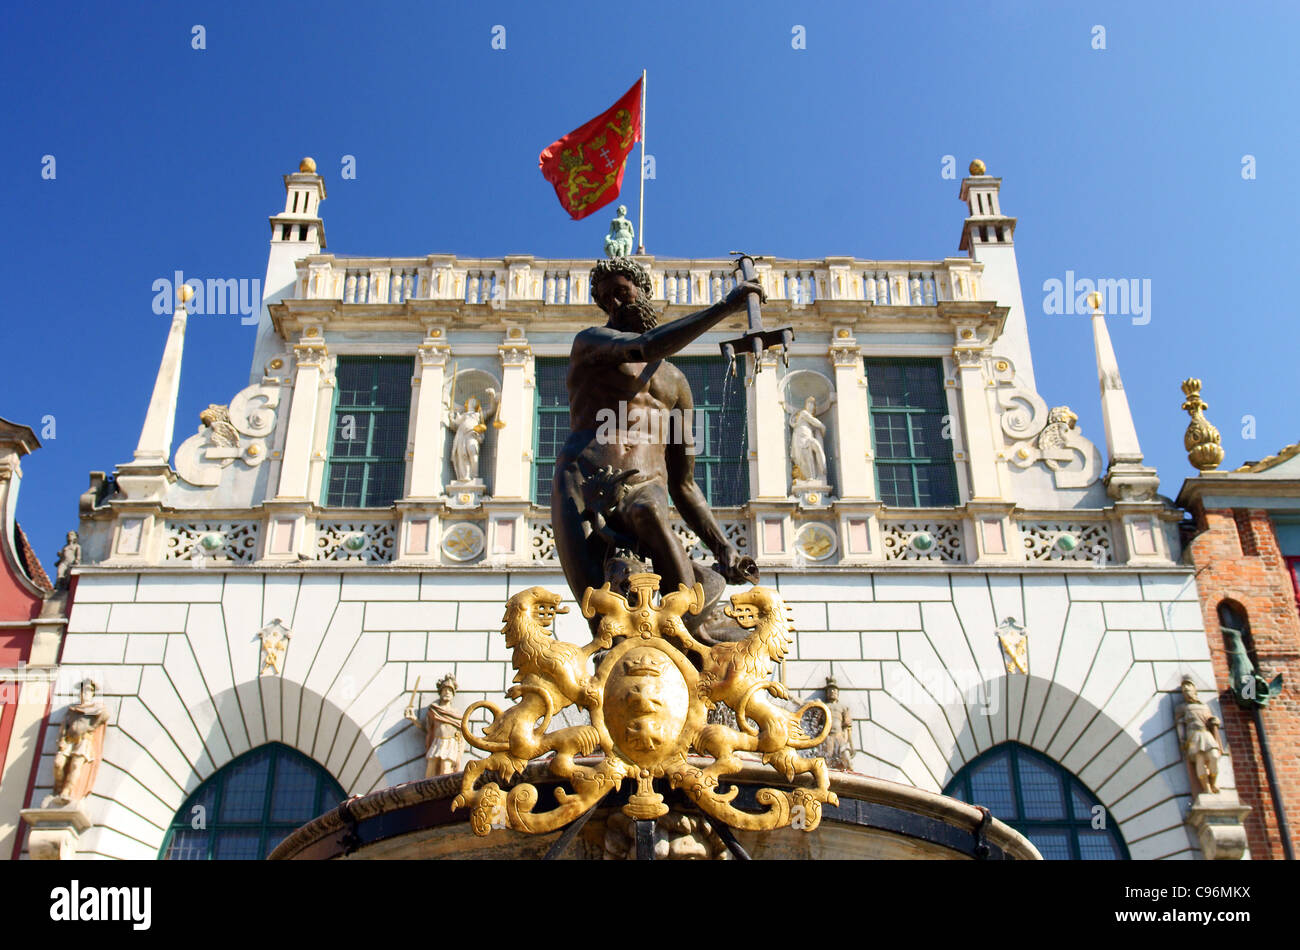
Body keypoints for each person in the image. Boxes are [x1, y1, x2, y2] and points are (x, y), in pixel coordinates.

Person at [550, 257, 760, 624]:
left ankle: (692, 644)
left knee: (651, 520)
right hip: (583, 485)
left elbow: (684, 483)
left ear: (643, 293)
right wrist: (726, 308)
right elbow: (647, 346)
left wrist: (723, 547)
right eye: (606, 299)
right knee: (602, 618)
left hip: (645, 486)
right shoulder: (591, 344)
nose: (615, 305)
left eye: (621, 293)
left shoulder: (677, 383)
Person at [52, 679, 110, 803]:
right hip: (69, 740)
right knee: (58, 763)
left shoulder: (96, 708)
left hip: (83, 740)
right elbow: (65, 724)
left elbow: (105, 715)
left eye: (89, 691)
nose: (85, 694)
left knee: (76, 765)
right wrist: (61, 739)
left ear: (92, 694)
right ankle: (59, 786)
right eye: (84, 691)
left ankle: (66, 792)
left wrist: (91, 727)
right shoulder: (73, 709)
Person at [406, 674, 464, 777]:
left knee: (446, 768)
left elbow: (461, 735)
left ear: (453, 694)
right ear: (440, 692)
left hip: (450, 742)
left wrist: (459, 752)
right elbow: (427, 729)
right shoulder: (434, 710)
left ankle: (445, 792)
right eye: (444, 690)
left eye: (450, 690)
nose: (447, 692)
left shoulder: (456, 713)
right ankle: (428, 791)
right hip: (437, 742)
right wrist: (414, 719)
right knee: (431, 769)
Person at [1175, 677, 1223, 795]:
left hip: (1205, 733)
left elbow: (1209, 719)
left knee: (1214, 756)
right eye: (1184, 690)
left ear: (1194, 690)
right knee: (1199, 760)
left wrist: (1215, 721)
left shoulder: (1204, 706)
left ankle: (1213, 782)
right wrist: (1182, 739)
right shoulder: (1182, 708)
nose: (1186, 691)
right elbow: (1179, 724)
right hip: (1193, 735)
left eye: (1188, 689)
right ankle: (1206, 788)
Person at [789, 396, 828, 483]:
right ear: (806, 405)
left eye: (812, 404)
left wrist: (820, 429)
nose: (810, 406)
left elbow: (814, 426)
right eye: (809, 403)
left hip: (808, 438)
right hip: (800, 439)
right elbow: (813, 420)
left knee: (817, 445)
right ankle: (810, 477)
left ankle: (823, 469)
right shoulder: (803, 413)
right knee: (807, 457)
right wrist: (822, 426)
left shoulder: (809, 421)